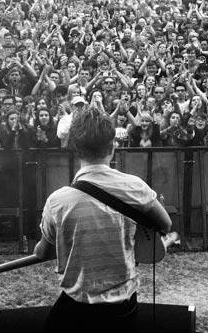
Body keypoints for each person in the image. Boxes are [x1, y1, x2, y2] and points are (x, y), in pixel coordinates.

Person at [35, 107, 172, 333]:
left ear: (75, 148)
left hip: (77, 307)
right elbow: (165, 224)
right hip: (122, 306)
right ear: (112, 146)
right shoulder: (135, 187)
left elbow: (42, 252)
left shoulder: (57, 201)